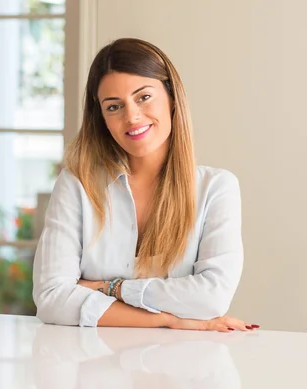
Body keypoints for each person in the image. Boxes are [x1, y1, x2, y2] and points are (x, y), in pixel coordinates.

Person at [32, 37, 258, 332]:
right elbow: (51, 299)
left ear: (172, 98)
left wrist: (110, 288)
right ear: (102, 118)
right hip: (93, 369)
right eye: (114, 107)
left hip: (183, 372)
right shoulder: (77, 185)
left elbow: (212, 298)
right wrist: (170, 320)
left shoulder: (216, 189)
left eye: (143, 97)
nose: (132, 117)